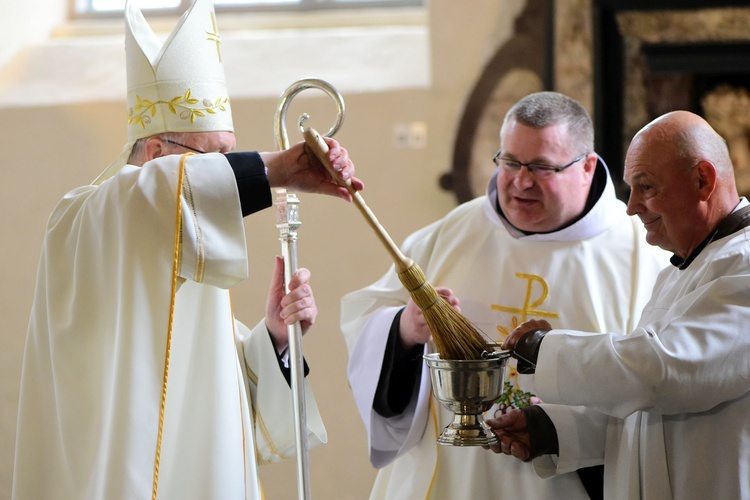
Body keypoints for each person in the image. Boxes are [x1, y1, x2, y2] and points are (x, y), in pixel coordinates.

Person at [11, 0, 363, 499]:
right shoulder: (85, 221)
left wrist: (275, 339)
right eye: (216, 156)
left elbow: (216, 392)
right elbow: (151, 197)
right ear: (155, 155)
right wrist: (279, 169)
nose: (230, 168)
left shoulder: (186, 235)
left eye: (232, 154)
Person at [340, 91, 669, 499]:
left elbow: (655, 384)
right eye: (510, 162)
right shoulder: (454, 231)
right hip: (454, 481)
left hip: (566, 482)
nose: (520, 181)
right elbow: (368, 316)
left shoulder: (642, 253)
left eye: (542, 167)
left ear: (586, 167)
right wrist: (404, 330)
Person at [492, 110, 750, 498]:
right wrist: (551, 430)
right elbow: (650, 414)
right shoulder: (681, 271)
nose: (631, 207)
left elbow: (667, 373)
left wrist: (544, 349)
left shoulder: (743, 265)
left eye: (646, 187)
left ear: (703, 180)